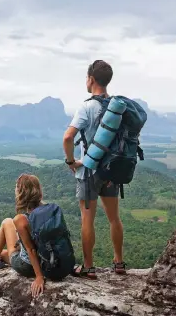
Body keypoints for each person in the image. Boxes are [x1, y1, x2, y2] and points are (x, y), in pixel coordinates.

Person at [62, 60, 127, 280]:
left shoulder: (87, 107)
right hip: (111, 171)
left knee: (87, 220)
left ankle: (88, 267)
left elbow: (68, 137)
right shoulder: (117, 107)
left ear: (91, 79)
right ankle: (119, 262)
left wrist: (71, 162)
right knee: (114, 218)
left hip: (88, 173)